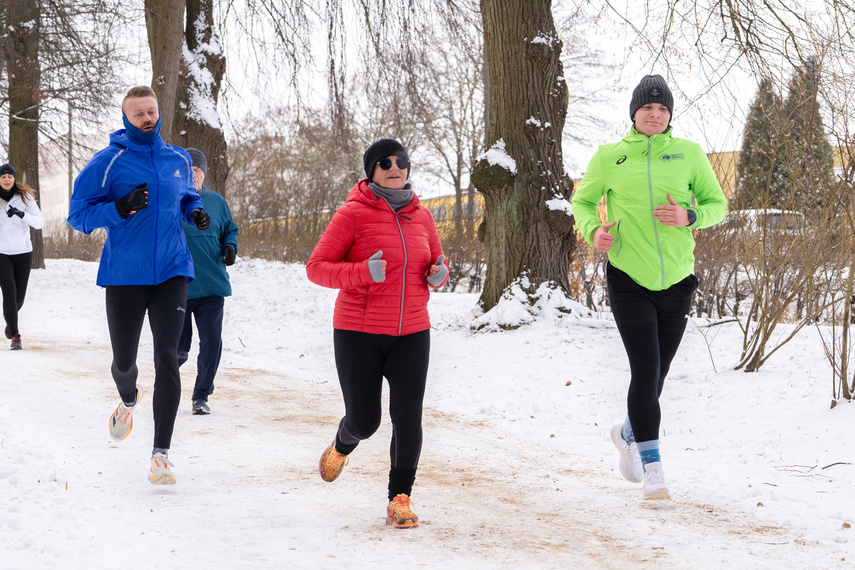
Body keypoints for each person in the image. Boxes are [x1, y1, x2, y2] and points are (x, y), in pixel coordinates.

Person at [571, 75, 727, 500]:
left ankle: (626, 431)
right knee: (644, 368)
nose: (655, 115)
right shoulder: (610, 157)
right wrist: (593, 231)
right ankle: (653, 467)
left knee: (658, 373)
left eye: (662, 110)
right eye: (647, 109)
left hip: (677, 278)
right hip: (629, 277)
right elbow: (582, 202)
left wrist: (690, 217)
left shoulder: (690, 154)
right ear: (634, 114)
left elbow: (718, 205)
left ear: (669, 115)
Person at [68, 86, 211, 485]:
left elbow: (185, 198)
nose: (147, 119)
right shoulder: (107, 162)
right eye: (139, 115)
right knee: (124, 363)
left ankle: (160, 454)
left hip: (171, 272)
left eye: (151, 111)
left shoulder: (177, 158)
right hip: (124, 276)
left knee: (168, 356)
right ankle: (128, 398)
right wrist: (119, 207)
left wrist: (195, 212)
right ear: (126, 118)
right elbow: (77, 216)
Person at [306, 139, 448, 529]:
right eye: (384, 162)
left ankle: (399, 497)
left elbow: (436, 262)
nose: (394, 167)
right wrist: (361, 273)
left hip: (412, 331)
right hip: (358, 332)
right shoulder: (352, 214)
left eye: (400, 161)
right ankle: (342, 443)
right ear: (371, 170)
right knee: (365, 421)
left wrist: (439, 275)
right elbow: (316, 267)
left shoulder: (423, 216)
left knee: (407, 416)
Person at [177, 148, 239, 416]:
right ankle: (166, 387)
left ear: (204, 174)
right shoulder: (173, 201)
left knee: (212, 342)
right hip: (178, 287)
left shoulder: (217, 201)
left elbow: (230, 230)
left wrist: (230, 247)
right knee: (178, 349)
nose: (194, 175)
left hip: (212, 285)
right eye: (189, 171)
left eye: (198, 171)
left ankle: (201, 395)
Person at [0, 163, 44, 350]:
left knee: (19, 298)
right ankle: (16, 336)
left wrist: (20, 214)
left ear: (14, 179)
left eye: (10, 176)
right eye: (3, 176)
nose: (7, 179)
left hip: (23, 252)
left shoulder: (24, 197)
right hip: (1, 252)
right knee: (9, 292)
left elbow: (39, 222)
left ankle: (11, 322)